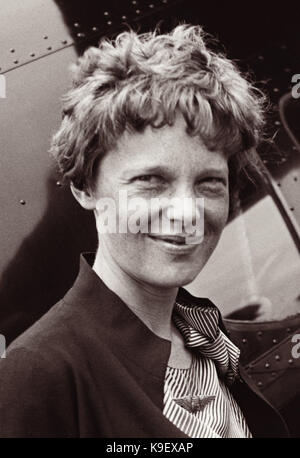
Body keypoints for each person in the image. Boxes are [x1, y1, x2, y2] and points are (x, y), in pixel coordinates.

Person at [0, 25, 289, 438]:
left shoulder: (202, 331)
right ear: (84, 187)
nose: (188, 212)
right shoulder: (37, 379)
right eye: (151, 180)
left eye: (210, 183)